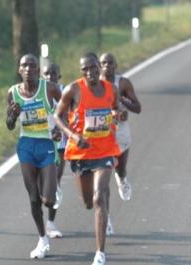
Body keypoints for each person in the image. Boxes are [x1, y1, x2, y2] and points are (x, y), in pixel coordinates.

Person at [53, 52, 127, 265]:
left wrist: (120, 114)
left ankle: (100, 253)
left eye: (93, 67)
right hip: (80, 152)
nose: (90, 72)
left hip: (105, 149)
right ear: (81, 71)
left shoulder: (110, 89)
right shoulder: (73, 90)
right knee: (87, 202)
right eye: (85, 69)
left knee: (98, 197)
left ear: (99, 67)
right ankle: (103, 201)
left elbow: (116, 109)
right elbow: (57, 116)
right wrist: (74, 135)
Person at [6, 54, 62, 259]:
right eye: (24, 66)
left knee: (48, 201)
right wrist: (12, 116)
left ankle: (53, 188)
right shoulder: (12, 92)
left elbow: (68, 110)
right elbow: (9, 125)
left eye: (32, 66)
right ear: (19, 70)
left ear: (38, 70)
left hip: (47, 143)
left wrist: (59, 130)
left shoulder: (49, 89)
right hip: (26, 145)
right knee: (33, 197)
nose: (28, 69)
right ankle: (42, 239)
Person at [99, 53, 141, 202]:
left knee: (120, 169)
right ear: (99, 66)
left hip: (120, 132)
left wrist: (124, 101)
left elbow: (138, 108)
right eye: (103, 63)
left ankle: (122, 179)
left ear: (115, 66)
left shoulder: (123, 84)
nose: (107, 66)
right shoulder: (92, 85)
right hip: (100, 133)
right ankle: (104, 211)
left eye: (110, 63)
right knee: (103, 176)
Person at [41, 63, 65, 239]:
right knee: (41, 186)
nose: (50, 77)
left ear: (59, 76)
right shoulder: (38, 92)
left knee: (55, 181)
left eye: (53, 74)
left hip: (61, 144)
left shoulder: (66, 92)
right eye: (47, 74)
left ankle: (50, 224)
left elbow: (74, 113)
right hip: (41, 143)